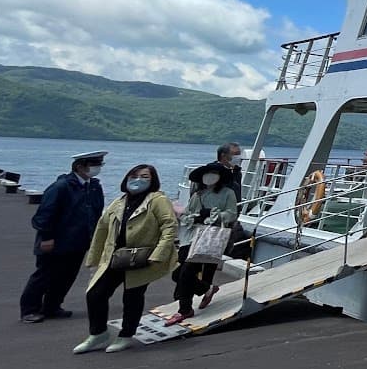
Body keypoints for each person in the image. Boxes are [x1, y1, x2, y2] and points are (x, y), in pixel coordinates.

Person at [74, 165, 178, 354]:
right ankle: (98, 333)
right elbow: (102, 229)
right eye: (134, 175)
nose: (138, 179)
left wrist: (159, 254)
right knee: (95, 294)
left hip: (141, 258)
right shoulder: (119, 202)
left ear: (152, 180)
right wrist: (94, 257)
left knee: (132, 297)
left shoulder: (157, 200)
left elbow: (169, 226)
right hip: (115, 258)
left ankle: (126, 335)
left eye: (144, 176)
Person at [20, 150, 107, 323]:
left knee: (67, 276)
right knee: (44, 275)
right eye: (93, 165)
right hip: (56, 240)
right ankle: (29, 310)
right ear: (80, 167)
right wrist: (47, 237)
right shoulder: (61, 187)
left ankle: (52, 306)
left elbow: (96, 213)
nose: (97, 169)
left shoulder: (94, 186)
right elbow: (45, 214)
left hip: (78, 241)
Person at [166, 162, 239, 324]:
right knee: (178, 274)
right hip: (191, 238)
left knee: (186, 273)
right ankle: (207, 288)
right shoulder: (197, 195)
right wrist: (193, 217)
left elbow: (232, 214)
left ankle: (184, 309)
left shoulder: (228, 193)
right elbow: (187, 215)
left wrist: (215, 215)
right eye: (207, 174)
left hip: (211, 238)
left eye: (213, 173)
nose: (209, 176)